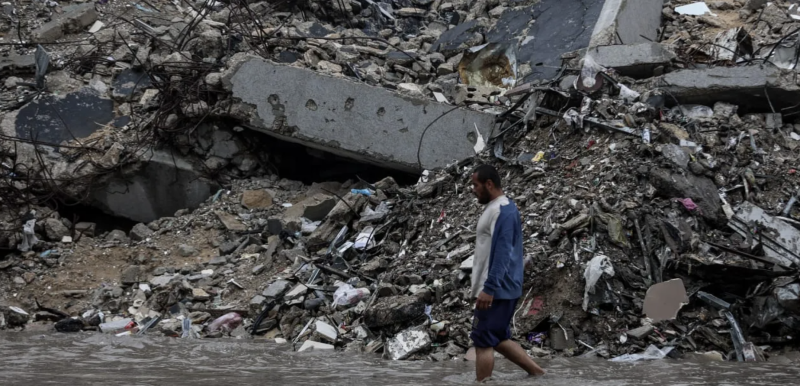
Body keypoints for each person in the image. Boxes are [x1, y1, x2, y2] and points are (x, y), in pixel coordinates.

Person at [469, 164, 545, 381]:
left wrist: (489, 288)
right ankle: (539, 374)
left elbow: (503, 253)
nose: (473, 189)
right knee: (499, 337)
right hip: (498, 288)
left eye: (475, 185)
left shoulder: (503, 211)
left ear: (489, 184)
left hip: (497, 290)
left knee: (483, 341)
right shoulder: (497, 208)